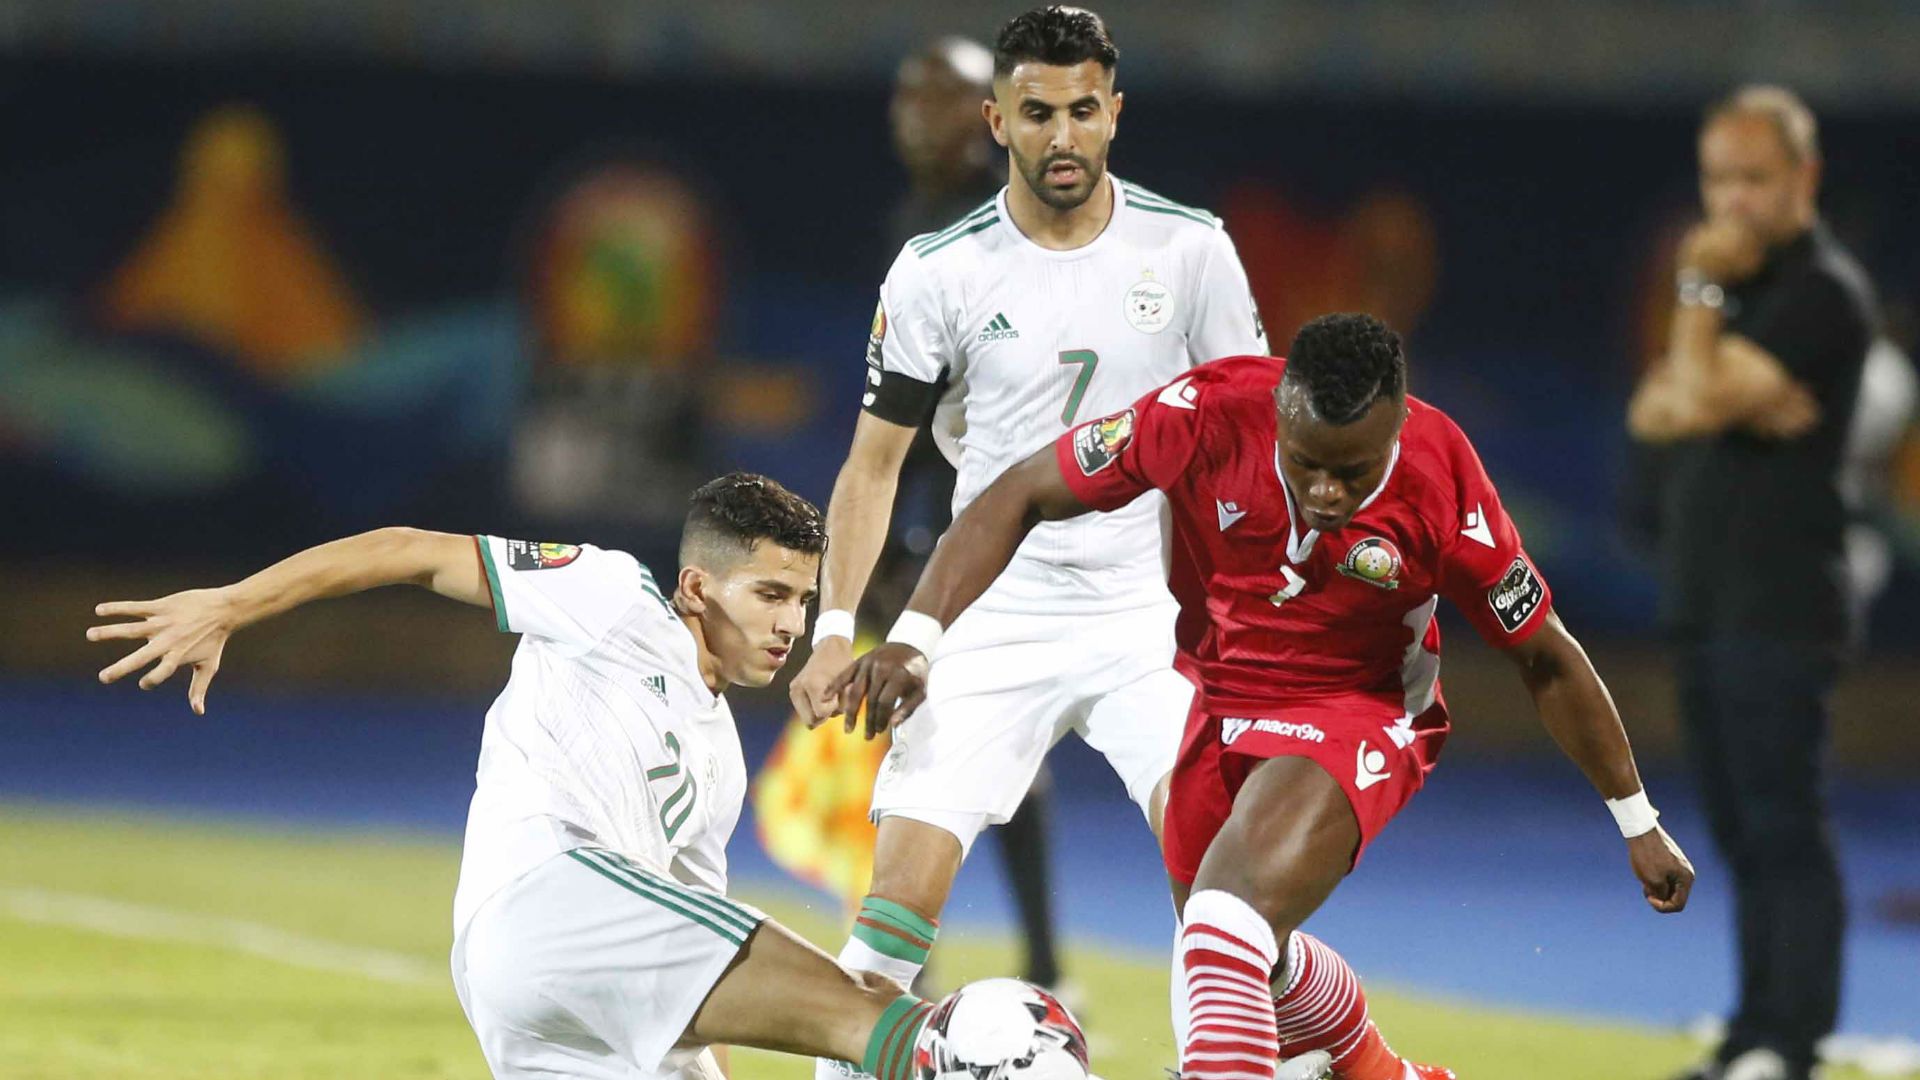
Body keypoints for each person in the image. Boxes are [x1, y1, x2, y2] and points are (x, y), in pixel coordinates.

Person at [837, 314, 1698, 1080]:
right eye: (1307, 463)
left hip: (1358, 715)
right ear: (1280, 411)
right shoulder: (1204, 414)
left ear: (1396, 428)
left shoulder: (1444, 482)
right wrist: (918, 636)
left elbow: (1545, 657)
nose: (1326, 491)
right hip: (1218, 707)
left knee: (1221, 924)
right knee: (1255, 962)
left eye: (1352, 473)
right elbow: (1022, 489)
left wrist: (1636, 818)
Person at [85, 474, 943, 1080]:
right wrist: (232, 605)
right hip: (546, 896)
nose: (791, 622)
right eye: (770, 594)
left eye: (803, 599)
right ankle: (989, 1053)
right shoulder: (612, 598)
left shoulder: (719, 753)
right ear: (695, 587)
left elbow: (693, 966)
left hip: (558, 996)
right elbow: (409, 551)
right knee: (864, 1013)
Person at [788, 8, 1268, 1070]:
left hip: (1157, 616)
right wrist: (832, 627)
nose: (1063, 136)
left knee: (1233, 893)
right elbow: (871, 464)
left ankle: (1299, 1054)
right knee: (896, 906)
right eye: (1038, 112)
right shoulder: (938, 270)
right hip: (988, 607)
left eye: (1084, 111)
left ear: (1115, 115)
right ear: (997, 118)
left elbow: (1255, 438)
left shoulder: (1191, 250)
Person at [1628, 86, 1878, 1080]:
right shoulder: (1740, 297)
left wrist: (1692, 296)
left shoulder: (1823, 291)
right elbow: (1660, 408)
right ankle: (1750, 1032)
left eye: (1754, 179)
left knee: (1783, 823)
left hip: (1779, 605)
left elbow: (1686, 392)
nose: (1731, 201)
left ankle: (1789, 1041)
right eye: (1716, 179)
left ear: (1803, 179)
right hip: (1707, 599)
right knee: (1736, 828)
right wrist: (1706, 372)